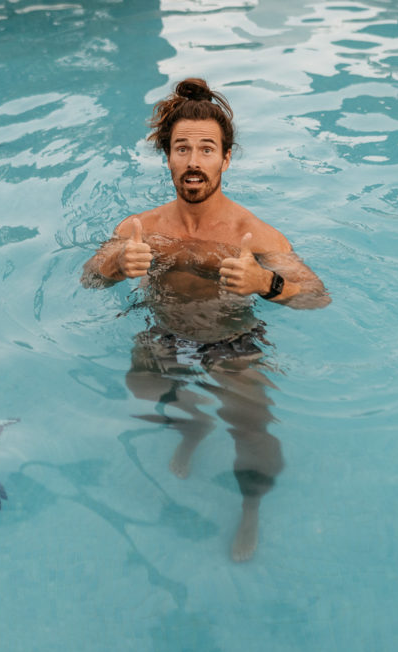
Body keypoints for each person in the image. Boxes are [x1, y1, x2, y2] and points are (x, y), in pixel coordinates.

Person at [81, 78, 330, 562]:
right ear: (168, 158)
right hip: (162, 333)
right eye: (182, 149)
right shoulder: (140, 229)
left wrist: (265, 284)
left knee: (253, 432)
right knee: (144, 390)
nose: (194, 161)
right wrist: (115, 267)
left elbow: (318, 297)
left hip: (231, 341)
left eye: (207, 149)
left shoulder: (254, 235)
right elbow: (90, 278)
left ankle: (251, 509)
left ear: (226, 159)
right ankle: (192, 428)